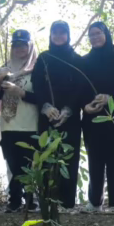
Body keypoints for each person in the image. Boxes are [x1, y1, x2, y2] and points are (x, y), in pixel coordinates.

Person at [31, 21, 84, 211]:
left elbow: (80, 88)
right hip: (47, 117)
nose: (59, 36)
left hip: (69, 118)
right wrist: (45, 106)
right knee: (46, 157)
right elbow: (37, 85)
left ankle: (66, 202)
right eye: (55, 32)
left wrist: (68, 110)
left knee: (69, 158)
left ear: (68, 35)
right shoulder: (43, 58)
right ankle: (47, 201)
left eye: (63, 33)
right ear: (51, 35)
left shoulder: (76, 59)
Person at [81, 22, 114, 213]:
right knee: (95, 159)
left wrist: (110, 98)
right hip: (92, 118)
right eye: (91, 35)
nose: (95, 37)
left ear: (106, 34)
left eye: (98, 33)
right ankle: (94, 201)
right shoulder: (84, 61)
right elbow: (79, 89)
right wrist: (86, 105)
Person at [0, 29, 39, 213]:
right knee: (12, 164)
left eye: (23, 45)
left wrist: (20, 92)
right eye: (16, 45)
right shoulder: (5, 68)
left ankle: (31, 199)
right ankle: (14, 200)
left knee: (30, 164)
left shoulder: (37, 69)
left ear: (30, 46)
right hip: (9, 124)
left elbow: (43, 96)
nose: (20, 48)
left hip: (30, 123)